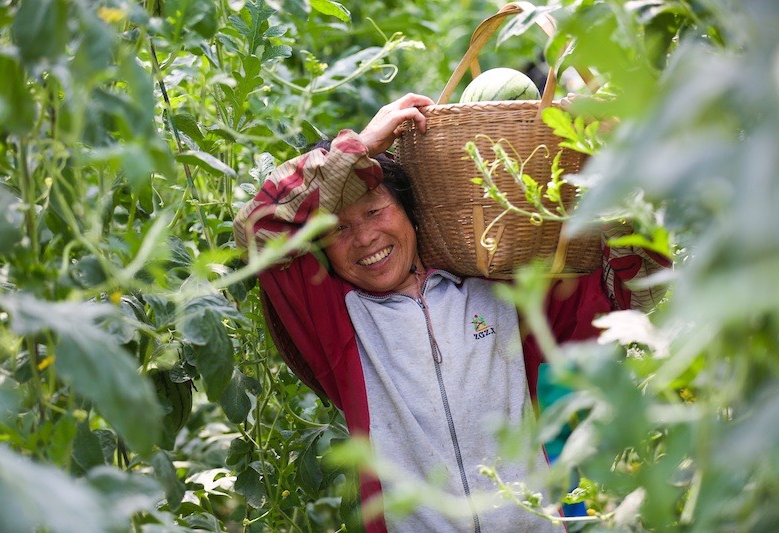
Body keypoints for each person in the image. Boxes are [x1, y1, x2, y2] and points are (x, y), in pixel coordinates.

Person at [233, 94, 668, 532]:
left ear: (411, 214)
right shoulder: (337, 323)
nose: (365, 237)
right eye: (339, 229)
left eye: (375, 211)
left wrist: (615, 168)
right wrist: (358, 149)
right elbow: (257, 228)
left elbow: (610, 291)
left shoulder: (495, 285)